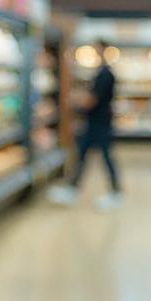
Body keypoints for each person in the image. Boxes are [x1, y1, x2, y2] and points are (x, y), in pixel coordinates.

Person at [49, 40, 121, 210]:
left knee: (104, 156)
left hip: (100, 123)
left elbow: (92, 100)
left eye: (97, 48)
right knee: (82, 155)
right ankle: (72, 188)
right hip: (95, 122)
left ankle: (115, 192)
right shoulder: (101, 72)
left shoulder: (105, 74)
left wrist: (73, 102)